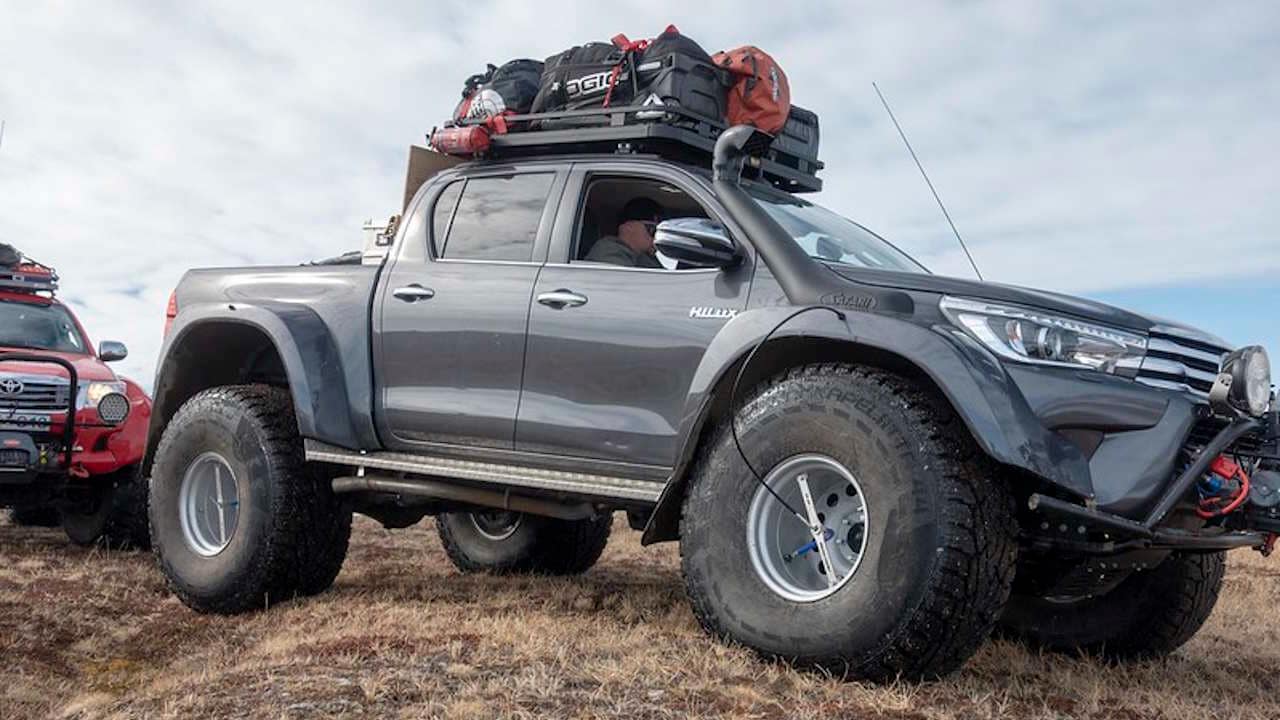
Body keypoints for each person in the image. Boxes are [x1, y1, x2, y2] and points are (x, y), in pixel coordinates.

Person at [585, 197, 664, 269]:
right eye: (652, 229)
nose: (657, 236)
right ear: (627, 227)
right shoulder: (608, 251)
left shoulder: (644, 257)